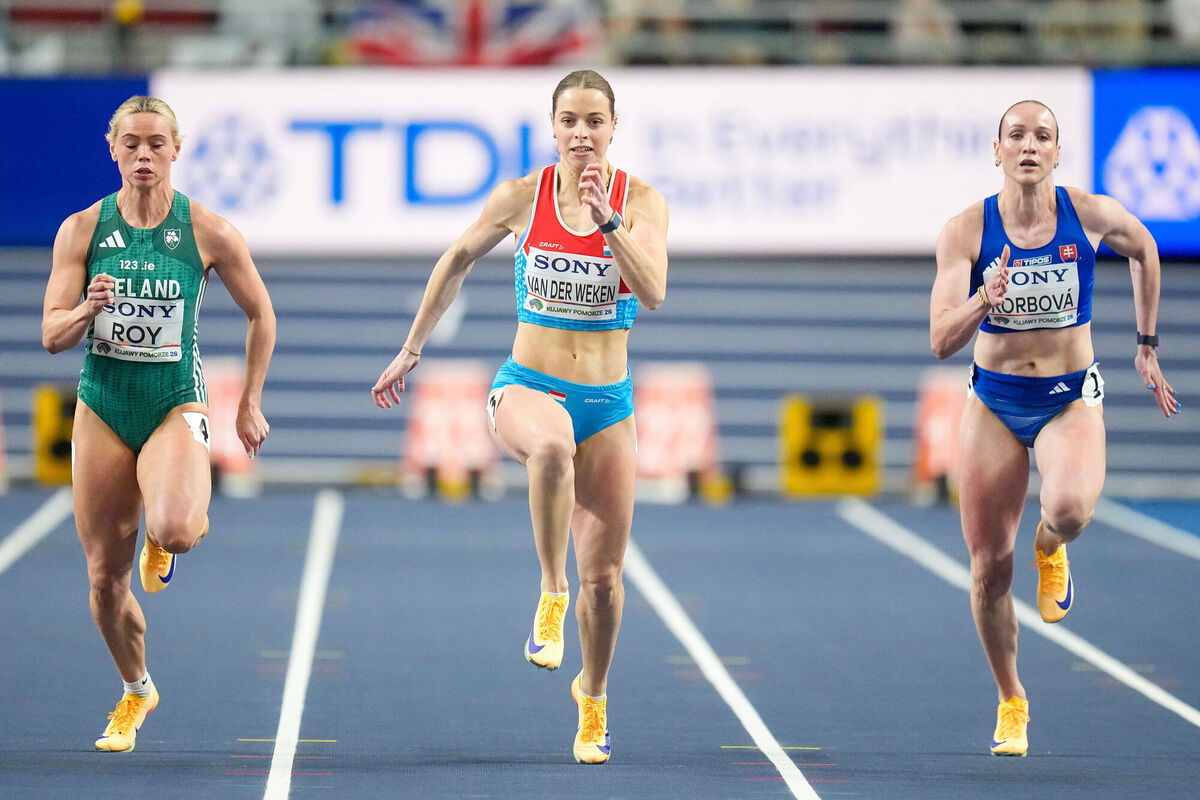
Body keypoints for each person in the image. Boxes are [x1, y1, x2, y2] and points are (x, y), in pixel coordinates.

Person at [371, 69, 668, 764]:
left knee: (608, 582)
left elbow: (652, 290)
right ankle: (548, 591)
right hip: (526, 388)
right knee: (554, 451)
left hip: (609, 401)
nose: (582, 134)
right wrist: (413, 347)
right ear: (553, 127)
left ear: (614, 128)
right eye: (570, 120)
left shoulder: (643, 203)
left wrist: (609, 223)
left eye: (595, 121)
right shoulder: (520, 197)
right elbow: (455, 259)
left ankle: (591, 695)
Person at [930, 99, 1179, 757]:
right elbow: (938, 339)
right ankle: (1012, 700)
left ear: (1059, 153)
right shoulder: (966, 231)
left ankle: (1051, 544)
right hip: (995, 402)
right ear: (997, 150)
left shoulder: (1088, 214)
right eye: (1018, 135)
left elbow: (1147, 249)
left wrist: (1147, 342)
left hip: (1069, 397)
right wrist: (986, 298)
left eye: (1043, 136)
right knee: (987, 569)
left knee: (1068, 509)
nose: (1030, 146)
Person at [41, 96, 276, 752]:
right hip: (103, 408)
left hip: (174, 401)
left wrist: (248, 402)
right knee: (102, 580)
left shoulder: (207, 231)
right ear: (112, 149)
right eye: (131, 144)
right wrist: (86, 309)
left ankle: (159, 539)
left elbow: (263, 313)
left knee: (176, 529)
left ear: (177, 149)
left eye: (156, 144)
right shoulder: (81, 231)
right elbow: (50, 335)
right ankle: (137, 689)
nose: (143, 156)